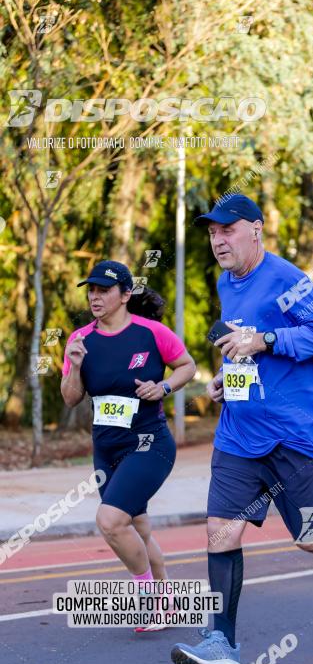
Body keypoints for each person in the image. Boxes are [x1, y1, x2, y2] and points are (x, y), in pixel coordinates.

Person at [171, 193, 313, 664]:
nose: (218, 240)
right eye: (212, 233)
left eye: (227, 230)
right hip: (239, 435)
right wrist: (225, 379)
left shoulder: (288, 280)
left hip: (293, 436)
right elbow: (240, 347)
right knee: (219, 532)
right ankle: (221, 643)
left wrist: (266, 339)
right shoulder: (226, 283)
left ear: (256, 229)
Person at [61, 260, 196, 629]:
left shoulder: (152, 333)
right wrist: (74, 366)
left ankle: (149, 597)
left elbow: (187, 365)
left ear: (124, 295)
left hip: (149, 443)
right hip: (106, 446)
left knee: (110, 521)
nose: (95, 297)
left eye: (103, 290)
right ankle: (167, 603)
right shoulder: (80, 340)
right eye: (91, 290)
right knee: (138, 527)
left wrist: (164, 387)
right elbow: (71, 399)